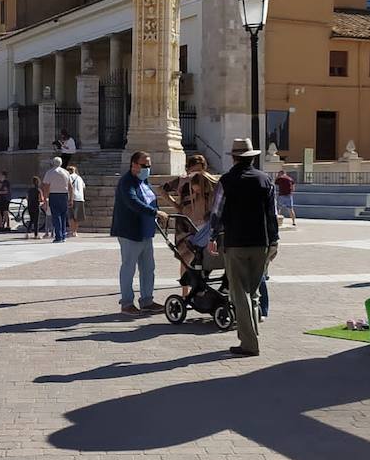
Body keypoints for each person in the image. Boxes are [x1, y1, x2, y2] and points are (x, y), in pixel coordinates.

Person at [210, 138, 279, 357]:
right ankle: (252, 335)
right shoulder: (265, 180)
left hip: (236, 242)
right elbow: (272, 213)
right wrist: (274, 240)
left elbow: (216, 212)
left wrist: (213, 236)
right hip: (261, 242)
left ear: (234, 157)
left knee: (239, 293)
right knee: (253, 291)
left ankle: (249, 343)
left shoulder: (226, 181)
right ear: (252, 158)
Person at [111, 151, 169, 315]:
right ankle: (127, 303)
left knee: (148, 268)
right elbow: (133, 202)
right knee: (128, 268)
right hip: (130, 232)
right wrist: (155, 213)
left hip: (146, 231)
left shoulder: (144, 181)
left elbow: (150, 199)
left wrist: (156, 214)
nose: (147, 168)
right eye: (145, 165)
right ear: (134, 165)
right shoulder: (126, 182)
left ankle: (147, 301)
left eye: (149, 165)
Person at [162, 155, 219, 298]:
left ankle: (199, 287)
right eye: (194, 170)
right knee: (185, 258)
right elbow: (162, 190)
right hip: (186, 223)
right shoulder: (182, 181)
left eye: (200, 169)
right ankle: (185, 292)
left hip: (203, 222)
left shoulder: (208, 180)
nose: (196, 173)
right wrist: (176, 205)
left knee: (203, 257)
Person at [42, 157, 73, 243]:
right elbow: (70, 186)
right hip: (64, 195)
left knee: (56, 216)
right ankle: (63, 235)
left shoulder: (50, 172)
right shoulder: (66, 172)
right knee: (63, 216)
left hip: (54, 195)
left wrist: (45, 199)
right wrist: (71, 198)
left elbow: (46, 186)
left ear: (53, 163)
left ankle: (58, 236)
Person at [67, 165, 86, 237]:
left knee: (71, 216)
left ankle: (72, 231)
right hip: (80, 198)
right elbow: (84, 187)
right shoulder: (79, 178)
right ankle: (75, 231)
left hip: (72, 198)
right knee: (77, 216)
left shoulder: (69, 177)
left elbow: (69, 187)